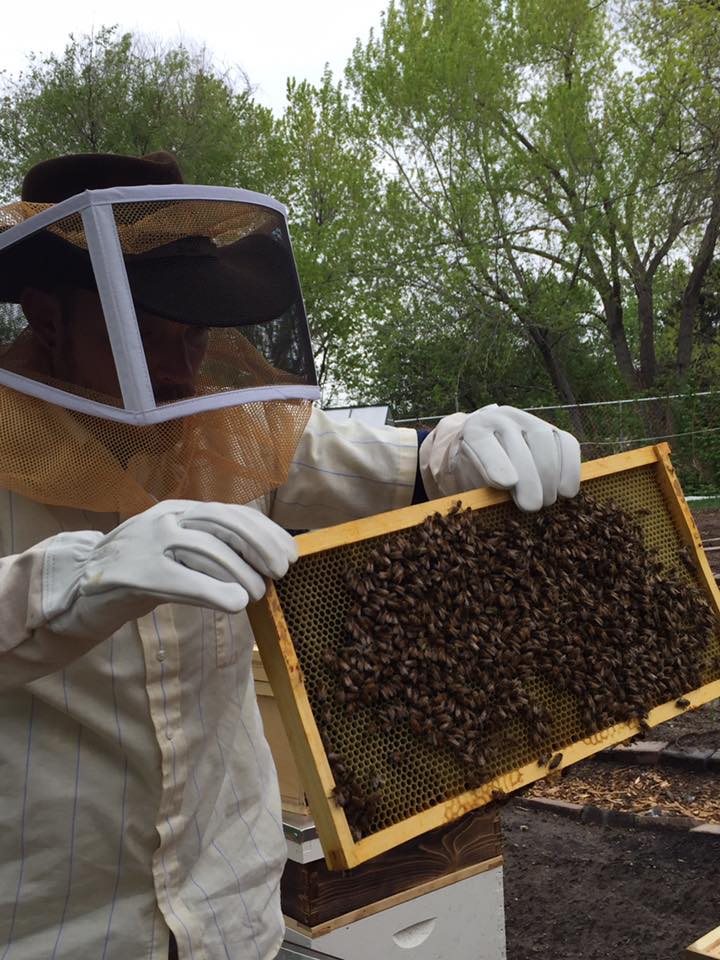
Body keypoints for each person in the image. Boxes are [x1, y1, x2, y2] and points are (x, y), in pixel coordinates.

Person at [0, 152, 580, 960]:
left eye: (193, 338)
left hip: (232, 921)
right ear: (47, 317)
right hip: (49, 930)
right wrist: (63, 585)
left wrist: (460, 441)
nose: (178, 373)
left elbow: (404, 464)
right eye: (141, 337)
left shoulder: (226, 431)